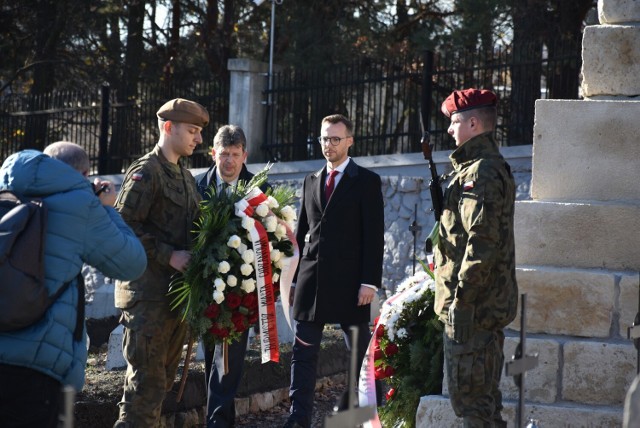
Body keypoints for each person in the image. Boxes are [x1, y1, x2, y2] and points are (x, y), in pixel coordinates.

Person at [0, 143, 147, 428]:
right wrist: (107, 209)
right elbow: (132, 262)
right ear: (85, 173)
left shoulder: (7, 189)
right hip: (39, 368)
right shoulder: (81, 204)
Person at [112, 98, 209, 427]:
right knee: (145, 389)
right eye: (193, 131)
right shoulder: (146, 172)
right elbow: (122, 227)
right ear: (169, 128)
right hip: (148, 299)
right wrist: (170, 255)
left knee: (160, 386)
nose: (198, 139)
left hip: (174, 299)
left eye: (199, 132)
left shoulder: (184, 176)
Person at [284, 114, 384, 428]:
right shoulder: (310, 180)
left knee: (360, 357)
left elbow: (374, 235)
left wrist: (370, 282)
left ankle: (364, 418)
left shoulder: (366, 181)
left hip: (352, 284)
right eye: (325, 138)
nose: (329, 145)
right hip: (311, 284)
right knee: (303, 356)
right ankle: (298, 419)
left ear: (349, 141)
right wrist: (292, 278)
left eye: (336, 139)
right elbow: (301, 233)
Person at [435, 88, 518, 427]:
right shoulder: (478, 168)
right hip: (477, 309)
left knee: (472, 406)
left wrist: (462, 301)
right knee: (481, 404)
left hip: (473, 311)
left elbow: (481, 244)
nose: (450, 130)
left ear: (473, 123)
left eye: (454, 122)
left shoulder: (481, 172)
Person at [194, 124, 269, 428]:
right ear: (213, 153)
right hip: (205, 287)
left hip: (242, 290)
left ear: (244, 155)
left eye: (235, 154)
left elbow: (272, 239)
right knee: (213, 358)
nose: (228, 161)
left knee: (229, 360)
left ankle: (217, 424)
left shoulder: (258, 189)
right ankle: (221, 418)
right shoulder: (198, 187)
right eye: (223, 154)